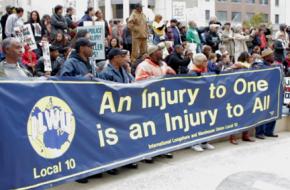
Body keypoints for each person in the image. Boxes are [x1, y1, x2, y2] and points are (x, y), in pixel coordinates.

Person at [188, 53, 215, 152]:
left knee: (205, 121)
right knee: (196, 122)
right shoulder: (192, 72)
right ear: (199, 62)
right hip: (196, 101)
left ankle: (204, 142)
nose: (206, 63)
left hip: (205, 99)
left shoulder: (204, 70)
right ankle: (194, 143)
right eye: (204, 61)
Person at [253, 48, 279, 139]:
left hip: (272, 92)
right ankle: (259, 132)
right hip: (262, 93)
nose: (273, 56)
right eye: (271, 55)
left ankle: (269, 131)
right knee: (261, 113)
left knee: (273, 111)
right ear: (267, 57)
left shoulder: (273, 66)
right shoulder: (259, 65)